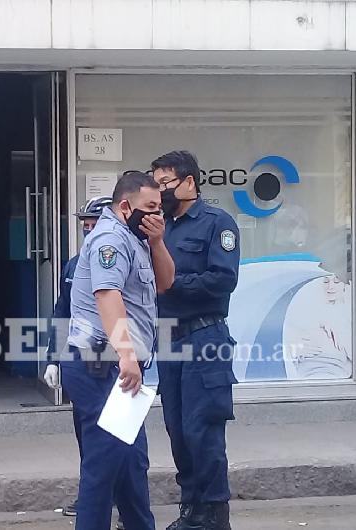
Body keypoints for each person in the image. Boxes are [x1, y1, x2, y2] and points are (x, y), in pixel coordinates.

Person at [61, 171, 175, 530]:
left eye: (160, 207)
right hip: (102, 364)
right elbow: (107, 295)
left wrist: (158, 243)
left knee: (131, 463)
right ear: (126, 205)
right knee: (104, 464)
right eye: (151, 207)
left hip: (119, 367)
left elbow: (164, 282)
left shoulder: (136, 236)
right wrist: (127, 355)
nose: (158, 214)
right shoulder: (110, 238)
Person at [151, 151, 240, 530]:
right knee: (176, 427)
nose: (161, 191)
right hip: (169, 339)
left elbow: (223, 280)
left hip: (205, 336)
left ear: (190, 182)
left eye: (166, 183)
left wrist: (173, 285)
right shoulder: (161, 228)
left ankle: (213, 512)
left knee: (201, 428)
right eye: (155, 184)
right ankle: (191, 509)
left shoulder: (216, 223)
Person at [43, 196, 113, 519]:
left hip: (115, 362)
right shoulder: (74, 265)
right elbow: (62, 314)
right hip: (81, 362)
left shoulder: (124, 258)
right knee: (86, 433)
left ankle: (125, 502)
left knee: (119, 436)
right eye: (84, 225)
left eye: (93, 224)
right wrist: (54, 358)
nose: (88, 230)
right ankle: (91, 496)